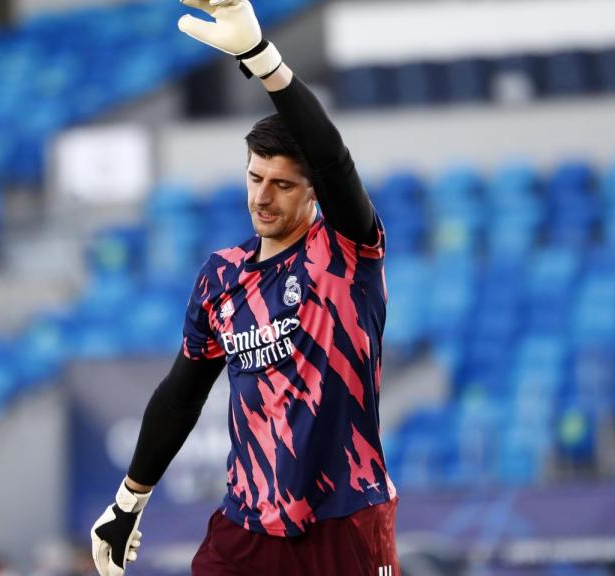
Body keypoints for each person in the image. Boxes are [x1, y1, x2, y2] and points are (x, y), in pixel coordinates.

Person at [90, 1, 399, 575]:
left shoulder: (346, 254)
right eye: (255, 177)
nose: (262, 196)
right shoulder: (222, 276)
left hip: (345, 522)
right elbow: (183, 392)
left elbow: (333, 159)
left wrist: (264, 61)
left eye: (282, 184)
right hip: (248, 528)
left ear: (313, 194)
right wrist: (129, 498)